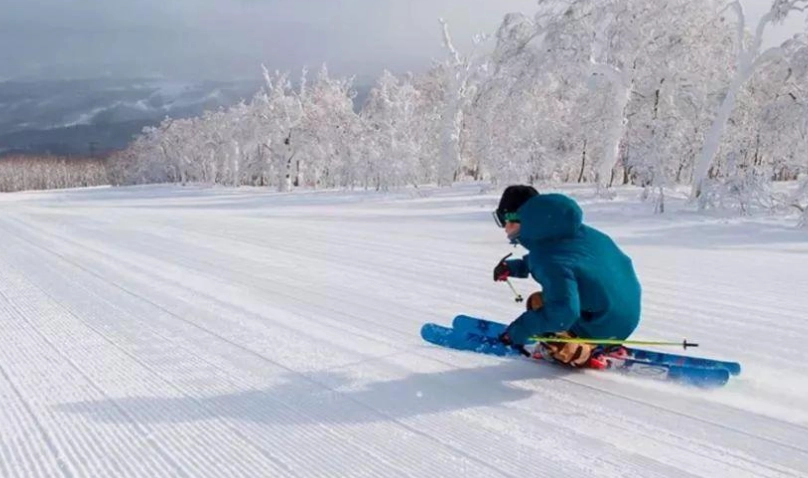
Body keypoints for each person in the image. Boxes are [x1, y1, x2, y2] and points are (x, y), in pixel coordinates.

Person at [491, 185, 642, 367]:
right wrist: (513, 268)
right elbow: (564, 259)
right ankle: (606, 344)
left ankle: (584, 352)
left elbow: (563, 313)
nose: (505, 227)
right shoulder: (580, 233)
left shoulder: (547, 257)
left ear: (530, 221)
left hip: (602, 325)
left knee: (538, 303)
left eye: (509, 220)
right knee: (553, 302)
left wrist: (517, 332)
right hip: (624, 318)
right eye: (501, 219)